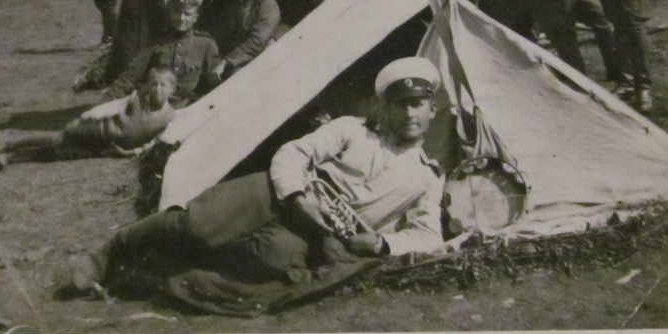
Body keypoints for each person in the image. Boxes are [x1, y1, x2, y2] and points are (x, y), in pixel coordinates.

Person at [92, 56, 446, 290]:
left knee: (269, 259)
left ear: (432, 110)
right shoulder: (352, 129)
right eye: (400, 105)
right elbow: (292, 153)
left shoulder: (427, 175)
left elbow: (429, 235)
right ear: (385, 107)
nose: (409, 114)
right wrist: (298, 196)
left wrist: (384, 243)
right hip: (283, 195)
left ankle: (154, 272)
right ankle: (111, 251)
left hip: (321, 235)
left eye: (418, 105)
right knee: (199, 222)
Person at [0, 66, 178, 171]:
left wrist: (129, 153)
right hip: (97, 130)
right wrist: (86, 117)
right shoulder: (137, 99)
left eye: (163, 85)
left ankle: (11, 158)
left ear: (172, 90)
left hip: (109, 147)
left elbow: (153, 142)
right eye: (153, 84)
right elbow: (111, 107)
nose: (157, 89)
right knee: (58, 139)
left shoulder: (169, 117)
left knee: (62, 154)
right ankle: (9, 141)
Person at [107, 0, 221, 108]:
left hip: (189, 108)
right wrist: (106, 99)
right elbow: (130, 76)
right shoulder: (156, 42)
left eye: (187, 14)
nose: (181, 18)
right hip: (154, 106)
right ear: (170, 14)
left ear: (195, 17)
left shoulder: (206, 44)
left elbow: (216, 81)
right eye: (177, 12)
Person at [202, 0, 281, 79]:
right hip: (232, 60)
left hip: (258, 60)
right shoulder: (227, 3)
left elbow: (257, 42)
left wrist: (226, 62)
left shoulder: (267, 4)